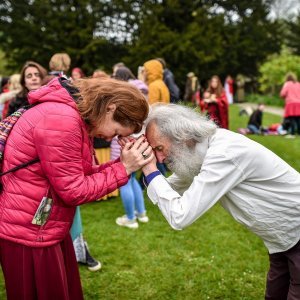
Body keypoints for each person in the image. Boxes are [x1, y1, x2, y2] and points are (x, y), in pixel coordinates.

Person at [0, 76, 153, 300]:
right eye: (117, 131)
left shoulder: (70, 115)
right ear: (110, 108)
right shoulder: (62, 119)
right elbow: (74, 190)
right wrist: (124, 169)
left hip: (41, 227)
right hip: (28, 234)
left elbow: (78, 175)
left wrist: (122, 165)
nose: (112, 137)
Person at [141, 104, 300, 300]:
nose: (159, 158)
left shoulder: (224, 154)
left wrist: (150, 170)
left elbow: (179, 216)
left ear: (182, 136)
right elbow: (172, 185)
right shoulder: (200, 151)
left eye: (159, 148)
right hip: (282, 240)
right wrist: (137, 166)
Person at [113, 66, 149, 228]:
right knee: (132, 178)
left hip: (124, 140)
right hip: (140, 139)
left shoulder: (122, 92)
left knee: (125, 180)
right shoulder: (141, 88)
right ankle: (141, 213)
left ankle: (130, 218)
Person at [280, 72, 300, 138]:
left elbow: (282, 94)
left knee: (292, 119)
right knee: (298, 119)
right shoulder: (298, 84)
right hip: (299, 103)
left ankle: (292, 134)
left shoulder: (287, 84)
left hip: (291, 103)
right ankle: (299, 133)